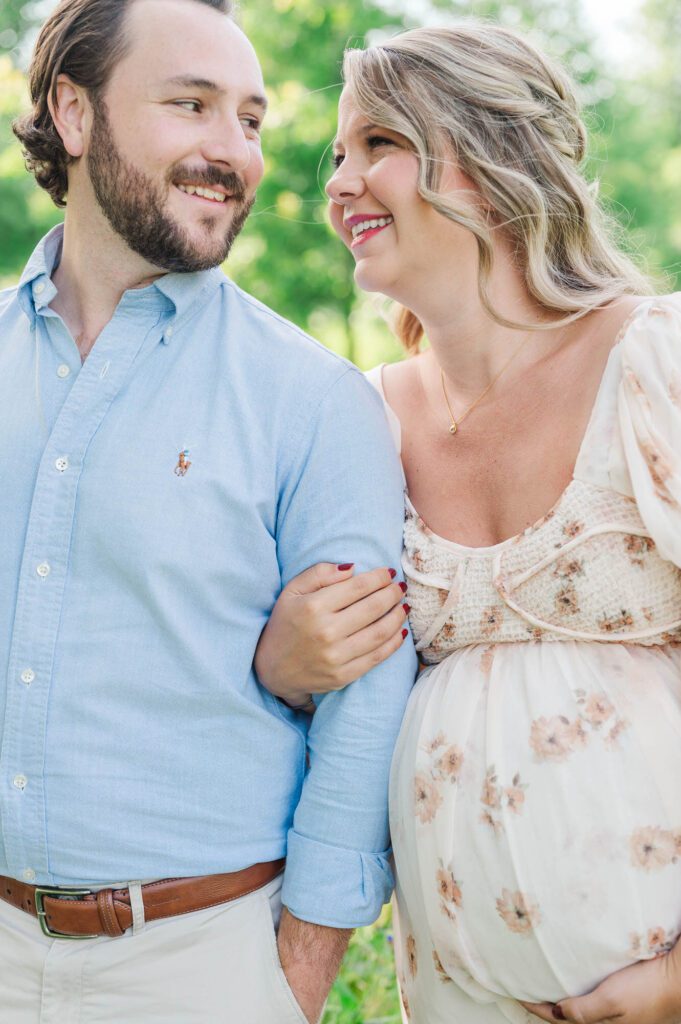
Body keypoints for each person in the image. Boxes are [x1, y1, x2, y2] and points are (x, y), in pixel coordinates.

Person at [254, 22, 681, 1024]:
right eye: (338, 152)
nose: (340, 182)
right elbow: (307, 699)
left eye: (380, 145)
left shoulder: (653, 363)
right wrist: (283, 661)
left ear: (490, 161)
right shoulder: (360, 420)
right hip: (454, 995)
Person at [0, 0, 418, 1021]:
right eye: (191, 106)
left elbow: (368, 709)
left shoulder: (318, 400)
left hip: (202, 968)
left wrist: (298, 973)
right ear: (74, 109)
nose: (230, 151)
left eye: (251, 120)